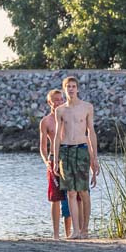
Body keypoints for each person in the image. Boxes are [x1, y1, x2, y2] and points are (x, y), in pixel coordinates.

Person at [53, 76, 99, 239]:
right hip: (66, 151)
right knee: (71, 193)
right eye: (68, 87)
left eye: (73, 86)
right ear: (65, 89)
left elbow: (91, 133)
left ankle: (85, 229)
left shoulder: (87, 107)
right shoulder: (60, 110)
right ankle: (76, 230)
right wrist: (55, 159)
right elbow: (58, 136)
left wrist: (95, 158)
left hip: (81, 150)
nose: (71, 89)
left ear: (77, 88)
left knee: (83, 191)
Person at [39, 89, 75, 240]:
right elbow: (42, 146)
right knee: (55, 198)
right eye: (56, 100)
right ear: (50, 102)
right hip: (54, 160)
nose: (59, 102)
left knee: (71, 197)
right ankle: (55, 234)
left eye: (61, 99)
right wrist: (46, 161)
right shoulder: (46, 121)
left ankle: (69, 233)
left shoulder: (68, 117)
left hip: (68, 159)